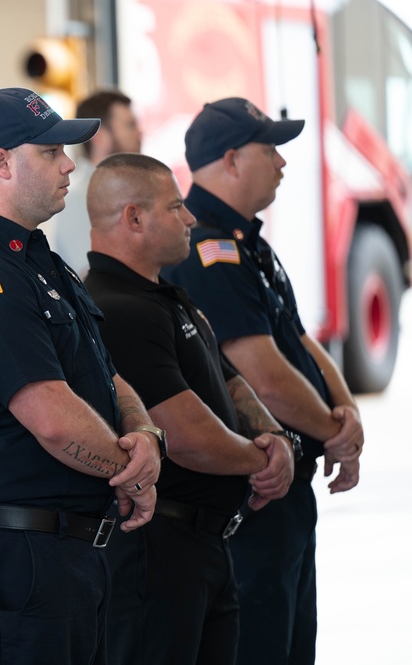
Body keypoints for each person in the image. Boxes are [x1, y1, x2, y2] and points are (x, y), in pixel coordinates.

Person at [0, 87, 162, 665]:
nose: (69, 163)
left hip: (62, 548)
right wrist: (131, 474)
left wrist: (146, 434)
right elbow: (52, 417)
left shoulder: (36, 259)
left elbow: (100, 371)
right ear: (1, 163)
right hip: (15, 555)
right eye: (50, 150)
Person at [161, 97, 364, 665]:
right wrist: (332, 428)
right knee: (260, 646)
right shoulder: (206, 249)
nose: (281, 162)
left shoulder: (250, 245)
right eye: (269, 149)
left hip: (288, 491)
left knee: (294, 644)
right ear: (230, 159)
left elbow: (299, 342)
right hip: (254, 497)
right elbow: (262, 375)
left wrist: (346, 420)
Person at [83, 153, 296, 664]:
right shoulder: (118, 309)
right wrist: (264, 458)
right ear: (133, 218)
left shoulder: (166, 297)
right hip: (158, 553)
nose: (190, 218)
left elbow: (227, 378)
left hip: (206, 547)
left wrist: (275, 437)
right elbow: (183, 435)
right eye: (175, 206)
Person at [51, 89, 142, 274]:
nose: (140, 133)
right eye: (130, 125)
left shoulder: (131, 190)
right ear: (99, 137)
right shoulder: (77, 198)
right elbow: (93, 275)